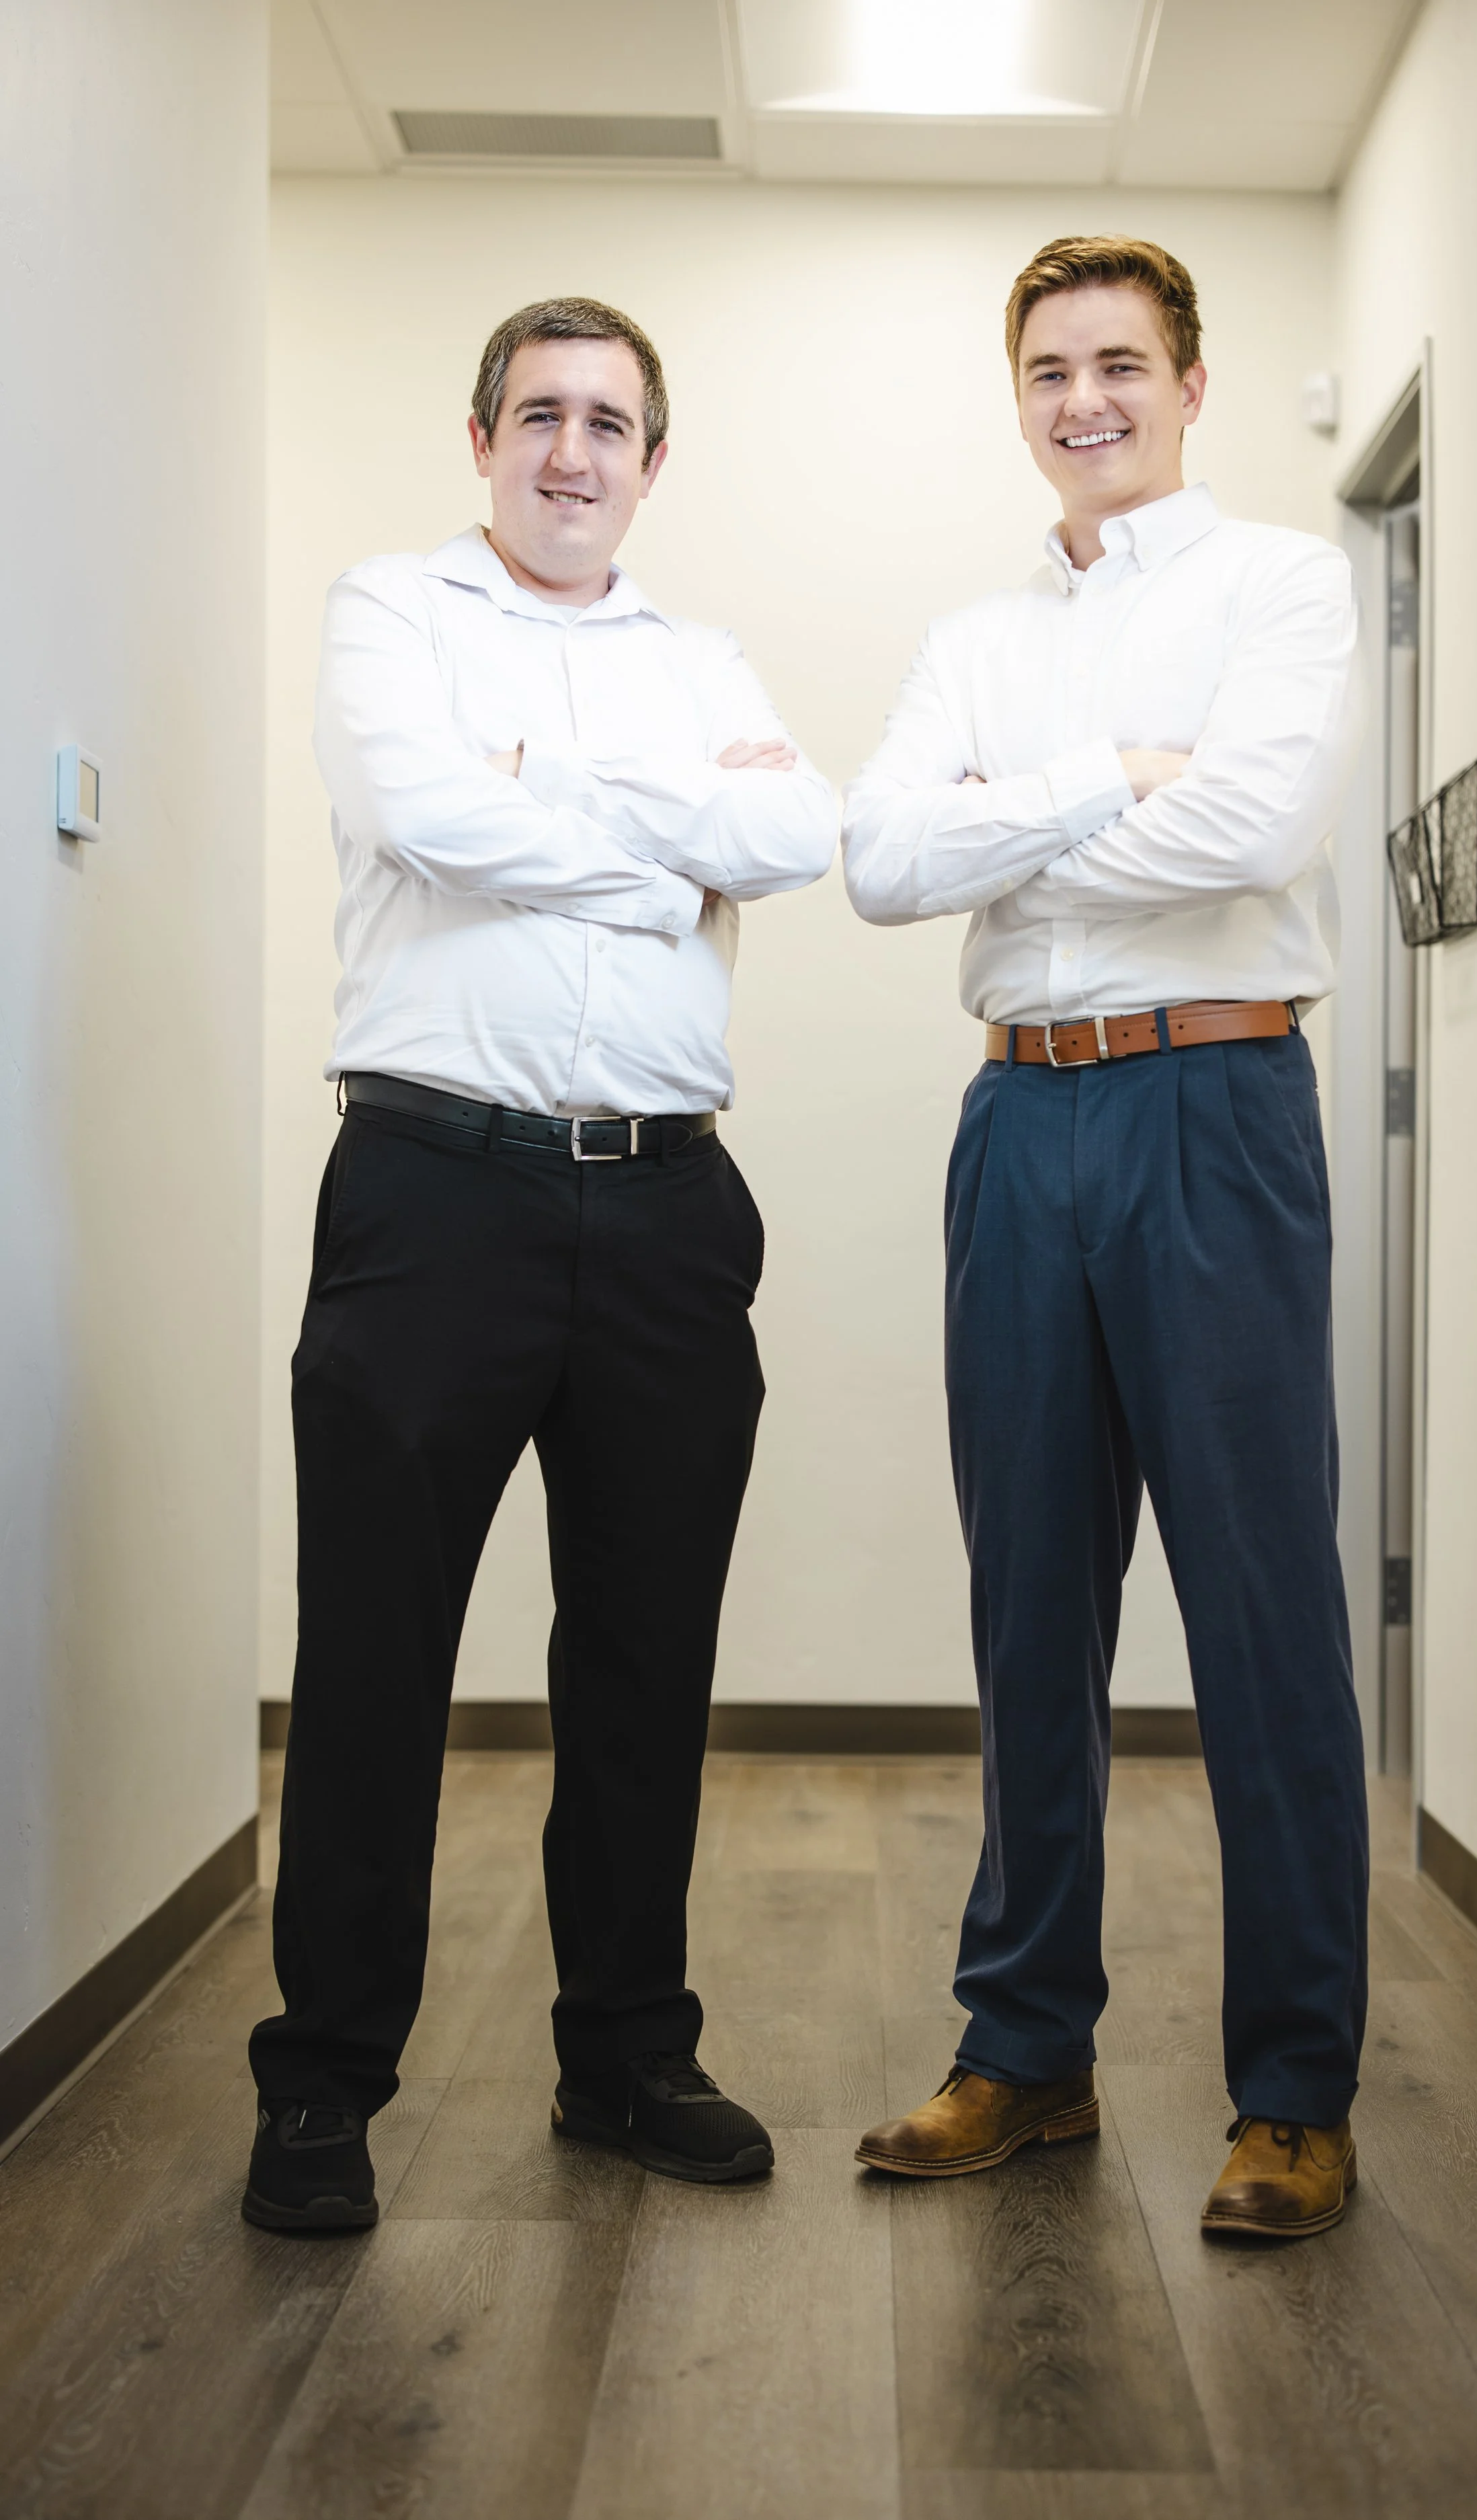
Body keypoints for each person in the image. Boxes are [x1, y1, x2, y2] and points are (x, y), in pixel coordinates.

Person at [244, 297, 834, 2230]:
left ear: (651, 460)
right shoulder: (390, 612)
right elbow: (421, 809)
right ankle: (322, 2088)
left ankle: (627, 2052)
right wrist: (667, 852)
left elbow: (793, 827)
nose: (572, 452)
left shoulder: (704, 652)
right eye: (539, 417)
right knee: (373, 1662)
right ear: (481, 437)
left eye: (610, 423)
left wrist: (550, 803)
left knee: (648, 1655)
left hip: (667, 1209)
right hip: (436, 1195)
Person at [842, 236, 1367, 2238]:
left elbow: (1252, 828)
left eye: (1121, 363)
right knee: (1027, 1606)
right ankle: (1022, 2049)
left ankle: (1295, 2086)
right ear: (1021, 396)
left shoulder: (1278, 587)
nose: (1086, 399)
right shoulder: (977, 633)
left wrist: (1017, 815)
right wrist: (1102, 777)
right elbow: (883, 858)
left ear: (1191, 380)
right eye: (1051, 368)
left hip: (1211, 1106)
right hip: (1020, 1115)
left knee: (1257, 1610)